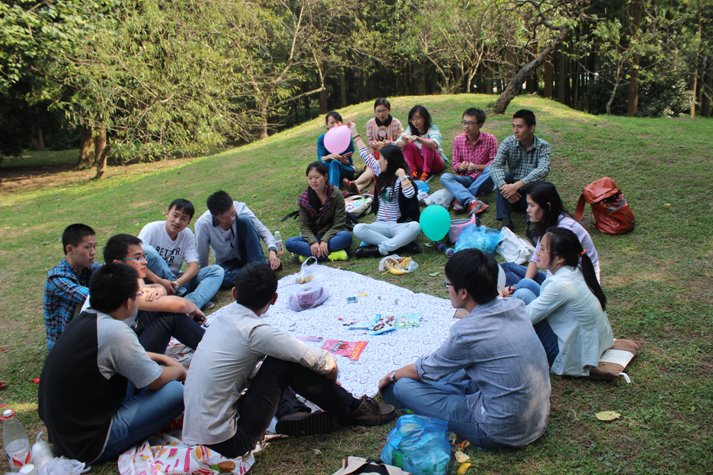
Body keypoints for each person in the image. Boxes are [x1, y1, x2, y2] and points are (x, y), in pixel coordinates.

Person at [182, 262, 396, 458]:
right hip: (232, 440)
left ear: (234, 293)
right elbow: (324, 361)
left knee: (270, 365)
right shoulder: (255, 331)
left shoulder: (220, 322)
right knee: (283, 361)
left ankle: (290, 413)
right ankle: (355, 410)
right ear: (274, 299)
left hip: (201, 435)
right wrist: (330, 383)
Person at [378, 249, 551, 449]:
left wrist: (391, 375)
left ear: (463, 292)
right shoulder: (515, 306)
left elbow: (424, 369)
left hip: (498, 429)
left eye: (448, 284)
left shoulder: (467, 332)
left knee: (402, 387)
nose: (447, 289)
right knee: (454, 372)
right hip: (535, 417)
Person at [38, 263, 186, 464]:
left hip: (65, 433)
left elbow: (129, 356)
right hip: (89, 443)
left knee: (144, 372)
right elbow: (156, 381)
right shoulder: (115, 330)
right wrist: (177, 369)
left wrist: (162, 358)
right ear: (128, 302)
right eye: (137, 294)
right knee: (176, 391)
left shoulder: (87, 319)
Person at [511, 228, 613, 376]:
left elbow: (526, 317)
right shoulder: (575, 270)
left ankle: (502, 341)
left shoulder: (559, 285)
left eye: (542, 249)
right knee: (526, 283)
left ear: (559, 258)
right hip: (593, 345)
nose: (537, 252)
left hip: (568, 357)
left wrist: (504, 302)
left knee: (522, 294)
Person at [103, 234, 206, 353]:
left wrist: (159, 288)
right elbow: (181, 305)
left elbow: (148, 289)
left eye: (144, 256)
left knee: (163, 310)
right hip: (121, 358)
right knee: (171, 315)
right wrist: (192, 307)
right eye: (138, 258)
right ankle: (213, 348)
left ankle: (209, 345)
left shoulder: (119, 278)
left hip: (126, 344)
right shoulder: (119, 288)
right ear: (118, 264)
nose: (145, 261)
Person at [500, 181, 600, 287]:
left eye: (532, 205)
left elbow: (560, 275)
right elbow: (536, 257)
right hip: (555, 280)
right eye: (528, 205)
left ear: (547, 206)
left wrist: (522, 287)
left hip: (573, 285)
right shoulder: (549, 224)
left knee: (523, 292)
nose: (528, 210)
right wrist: (525, 281)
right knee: (505, 268)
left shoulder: (564, 231)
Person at [348, 122, 421, 258]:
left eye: (380, 158)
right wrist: (353, 131)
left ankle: (381, 249)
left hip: (398, 225)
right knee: (358, 229)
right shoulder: (380, 172)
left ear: (387, 161)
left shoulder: (402, 179)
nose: (378, 160)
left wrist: (402, 175)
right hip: (380, 225)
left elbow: (410, 194)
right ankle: (400, 245)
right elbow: (365, 154)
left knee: (415, 227)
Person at [139, 198, 224, 310]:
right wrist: (160, 281)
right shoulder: (152, 229)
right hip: (152, 283)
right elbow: (136, 262)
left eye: (183, 218)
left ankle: (191, 303)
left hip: (175, 281)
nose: (177, 221)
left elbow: (194, 266)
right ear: (167, 214)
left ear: (188, 222)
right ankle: (181, 295)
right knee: (148, 250)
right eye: (175, 215)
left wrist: (177, 283)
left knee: (216, 271)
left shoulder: (187, 234)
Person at [195, 190, 281, 289]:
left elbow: (263, 231)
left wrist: (272, 252)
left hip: (249, 255)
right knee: (219, 278)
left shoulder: (240, 208)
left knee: (245, 220)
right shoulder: (203, 224)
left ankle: (256, 269)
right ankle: (260, 269)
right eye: (225, 218)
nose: (231, 219)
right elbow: (202, 256)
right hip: (226, 263)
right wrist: (206, 277)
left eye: (232, 213)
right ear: (215, 216)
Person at [44, 223, 101, 350]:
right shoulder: (57, 278)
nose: (93, 252)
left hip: (80, 334)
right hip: (63, 346)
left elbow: (114, 269)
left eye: (94, 246)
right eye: (87, 247)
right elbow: (92, 297)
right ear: (70, 249)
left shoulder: (88, 267)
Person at [490, 109, 551, 230]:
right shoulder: (508, 143)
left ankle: (532, 224)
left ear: (531, 128)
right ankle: (505, 221)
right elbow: (495, 166)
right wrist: (505, 188)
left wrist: (517, 185)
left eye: (519, 127)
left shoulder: (543, 146)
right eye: (513, 126)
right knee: (505, 176)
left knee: (541, 185)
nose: (515, 130)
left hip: (531, 193)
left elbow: (543, 169)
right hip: (512, 195)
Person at [285, 161, 352, 260]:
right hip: (314, 236)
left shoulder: (335, 194)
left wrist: (325, 240)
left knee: (346, 236)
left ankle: (310, 255)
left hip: (333, 234)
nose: (313, 181)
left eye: (317, 177)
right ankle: (332, 254)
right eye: (310, 178)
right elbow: (304, 226)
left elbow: (339, 223)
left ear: (325, 177)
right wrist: (313, 242)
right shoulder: (304, 199)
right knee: (289, 243)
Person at [440, 108, 497, 216]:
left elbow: (494, 163)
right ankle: (472, 201)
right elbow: (455, 164)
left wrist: (477, 167)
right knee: (445, 177)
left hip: (484, 179)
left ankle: (461, 198)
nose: (466, 126)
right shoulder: (458, 140)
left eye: (470, 123)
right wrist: (461, 167)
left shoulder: (490, 139)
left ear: (480, 125)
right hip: (466, 179)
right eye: (464, 122)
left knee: (493, 168)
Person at [344, 98, 404, 194]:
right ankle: (358, 187)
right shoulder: (371, 123)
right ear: (375, 111)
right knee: (372, 171)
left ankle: (355, 183)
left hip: (391, 156)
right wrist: (373, 144)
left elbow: (401, 141)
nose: (381, 114)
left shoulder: (396, 123)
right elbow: (370, 141)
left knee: (373, 169)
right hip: (376, 153)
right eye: (378, 111)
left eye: (384, 111)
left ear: (389, 110)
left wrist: (390, 143)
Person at [396, 105, 448, 182]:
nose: (415, 122)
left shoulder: (432, 128)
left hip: (436, 164)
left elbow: (434, 144)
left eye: (418, 118)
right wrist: (405, 141)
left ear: (425, 117)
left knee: (426, 142)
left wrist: (418, 139)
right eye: (412, 119)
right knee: (406, 144)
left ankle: (426, 173)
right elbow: (397, 144)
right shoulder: (410, 129)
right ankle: (414, 172)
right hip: (421, 164)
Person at [316, 111, 355, 188]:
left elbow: (349, 162)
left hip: (346, 169)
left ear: (341, 123)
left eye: (337, 122)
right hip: (329, 169)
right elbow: (320, 159)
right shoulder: (322, 139)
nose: (335, 125)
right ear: (327, 125)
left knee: (334, 163)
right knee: (319, 166)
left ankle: (333, 191)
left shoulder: (347, 136)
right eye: (332, 123)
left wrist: (345, 161)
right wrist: (329, 156)